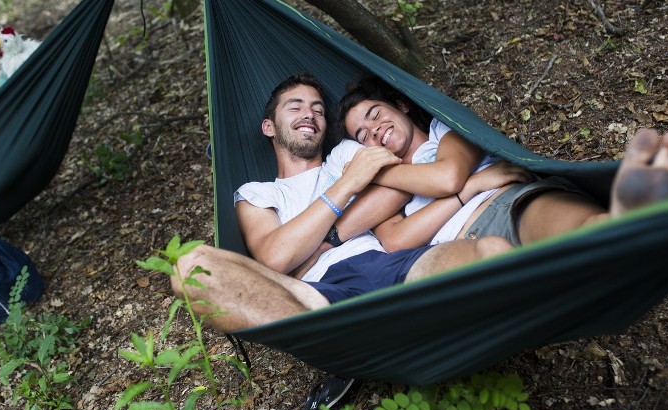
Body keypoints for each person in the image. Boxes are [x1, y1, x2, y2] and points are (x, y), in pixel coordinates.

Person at [168, 73, 521, 335]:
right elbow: (274, 258)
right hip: (315, 292)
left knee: (491, 252)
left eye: (318, 109)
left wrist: (314, 244)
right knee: (191, 267)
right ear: (269, 127)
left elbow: (399, 189)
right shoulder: (258, 193)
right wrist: (348, 187)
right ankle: (340, 341)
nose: (309, 114)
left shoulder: (345, 153)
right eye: (295, 107)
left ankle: (400, 328)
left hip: (389, 265)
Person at [336, 75, 668, 251]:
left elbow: (448, 176)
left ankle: (630, 218)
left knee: (590, 229)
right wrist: (471, 190)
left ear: (399, 106)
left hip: (512, 203)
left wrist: (386, 172)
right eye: (362, 134)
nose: (374, 130)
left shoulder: (443, 128)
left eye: (374, 114)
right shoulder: (381, 183)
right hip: (462, 248)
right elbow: (397, 242)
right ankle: (630, 225)